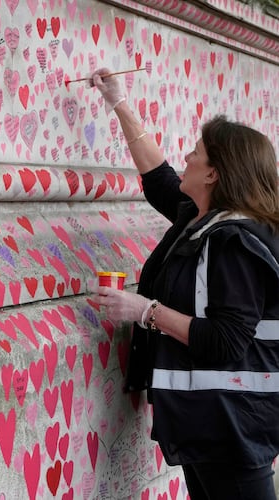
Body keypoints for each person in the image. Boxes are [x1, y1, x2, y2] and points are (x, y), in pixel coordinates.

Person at [90, 68, 279, 500]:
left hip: (233, 429)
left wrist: (144, 311)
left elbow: (228, 340)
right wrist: (119, 104)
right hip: (214, 424)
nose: (187, 159)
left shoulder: (233, 242)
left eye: (196, 153)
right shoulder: (203, 220)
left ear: (214, 174)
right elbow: (159, 178)